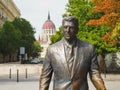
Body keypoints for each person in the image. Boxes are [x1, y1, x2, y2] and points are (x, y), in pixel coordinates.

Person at [39, 16, 106, 90]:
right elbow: (45, 77)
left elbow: (95, 74)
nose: (68, 30)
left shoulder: (89, 49)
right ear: (62, 29)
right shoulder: (52, 50)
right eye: (65, 27)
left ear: (77, 30)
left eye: (71, 27)